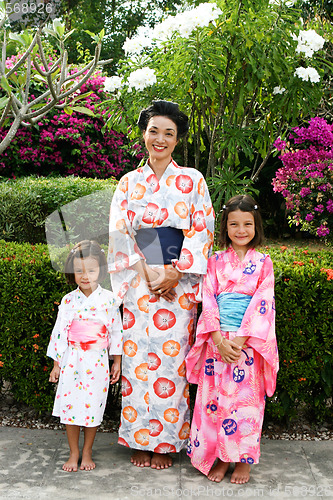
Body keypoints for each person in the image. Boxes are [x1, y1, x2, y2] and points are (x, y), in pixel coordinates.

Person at [108, 100, 215, 469]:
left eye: (169, 133)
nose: (160, 139)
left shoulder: (192, 180)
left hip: (178, 284)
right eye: (154, 130)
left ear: (177, 140)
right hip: (139, 283)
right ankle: (138, 437)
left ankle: (166, 444)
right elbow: (120, 234)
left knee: (172, 364)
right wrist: (149, 274)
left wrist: (175, 271)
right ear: (144, 134)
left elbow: (202, 230)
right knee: (138, 361)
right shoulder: (128, 183)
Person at [186, 195, 279, 484]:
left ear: (257, 226)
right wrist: (217, 337)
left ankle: (242, 461)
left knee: (245, 403)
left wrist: (238, 340)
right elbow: (209, 300)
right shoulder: (214, 261)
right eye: (234, 224)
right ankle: (220, 457)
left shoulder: (263, 263)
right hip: (218, 342)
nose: (241, 230)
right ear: (225, 227)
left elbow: (263, 303)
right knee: (214, 401)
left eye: (247, 224)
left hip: (247, 343)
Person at [48, 240, 123, 472]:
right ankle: (74, 452)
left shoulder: (109, 299)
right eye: (79, 270)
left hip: (97, 361)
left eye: (91, 270)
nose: (85, 276)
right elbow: (59, 332)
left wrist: (117, 361)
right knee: (71, 408)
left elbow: (116, 331)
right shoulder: (69, 301)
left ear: (101, 269)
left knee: (93, 407)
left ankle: (88, 450)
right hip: (72, 360)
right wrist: (56, 364)